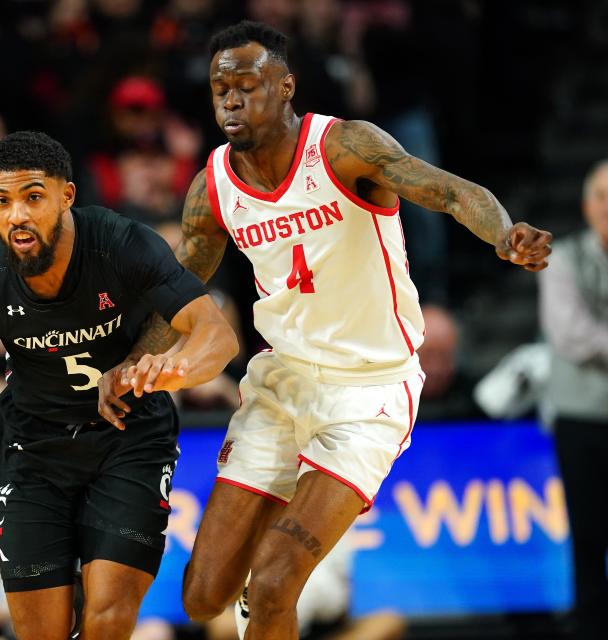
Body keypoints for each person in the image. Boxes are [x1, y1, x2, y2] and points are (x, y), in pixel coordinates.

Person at [98, 21, 552, 640]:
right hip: (281, 384)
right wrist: (131, 363)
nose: (231, 100)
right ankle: (279, 512)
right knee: (204, 598)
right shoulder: (213, 187)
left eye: (248, 86)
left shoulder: (344, 147)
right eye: (219, 88)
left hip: (369, 390)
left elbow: (447, 192)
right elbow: (183, 289)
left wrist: (503, 233)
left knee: (274, 584)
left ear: (286, 87)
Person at [0, 130, 239, 640]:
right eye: (1, 201)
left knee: (108, 616)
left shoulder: (121, 244)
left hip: (129, 439)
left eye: (33, 197)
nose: (17, 216)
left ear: (66, 196)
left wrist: (168, 369)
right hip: (29, 448)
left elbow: (216, 334)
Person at [539, 159, 608, 640]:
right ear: (587, 206)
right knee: (587, 534)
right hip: (581, 419)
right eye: (603, 195)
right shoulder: (562, 259)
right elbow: (570, 336)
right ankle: (591, 626)